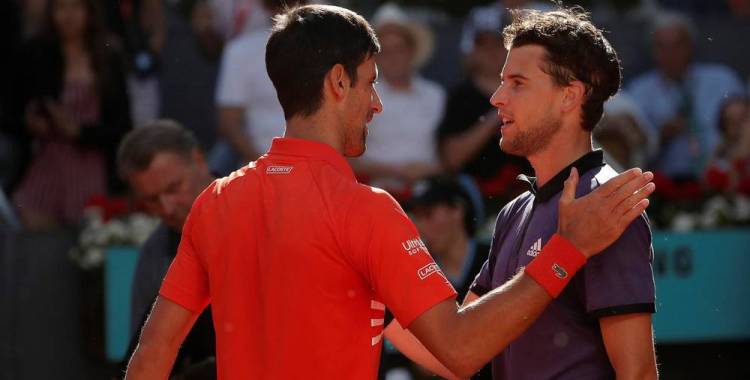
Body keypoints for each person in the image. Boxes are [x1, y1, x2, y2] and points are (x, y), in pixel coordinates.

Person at [125, 5, 654, 379]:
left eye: (516, 83)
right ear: (338, 83)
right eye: (370, 81)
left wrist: (383, 304)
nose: (376, 103)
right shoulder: (367, 210)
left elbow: (154, 350)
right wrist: (566, 252)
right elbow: (461, 350)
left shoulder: (215, 201)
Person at [461, 8, 658, 379]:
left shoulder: (606, 205)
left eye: (517, 82)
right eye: (502, 81)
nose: (497, 98)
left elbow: (639, 374)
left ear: (570, 97)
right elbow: (458, 348)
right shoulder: (514, 212)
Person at [7, 0, 132, 229]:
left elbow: (122, 125)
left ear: (88, 12)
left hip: (92, 166)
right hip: (46, 162)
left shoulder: (107, 56)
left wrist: (80, 132)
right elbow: (12, 109)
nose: (68, 16)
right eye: (61, 8)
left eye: (76, 7)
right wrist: (31, 124)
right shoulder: (35, 53)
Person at [117, 120, 217, 378]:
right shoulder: (154, 255)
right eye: (151, 200)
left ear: (199, 160)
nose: (167, 208)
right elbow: (144, 354)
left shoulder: (262, 209)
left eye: (174, 188)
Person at [627, 11, 745, 181]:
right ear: (653, 51)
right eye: (662, 47)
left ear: (690, 46)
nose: (670, 54)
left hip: (724, 177)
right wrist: (661, 136)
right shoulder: (639, 91)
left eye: (677, 46)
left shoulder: (722, 79)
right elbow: (633, 148)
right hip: (667, 183)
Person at [437, 4, 532, 205]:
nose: (491, 51)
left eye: (498, 43)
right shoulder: (461, 96)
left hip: (530, 190)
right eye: (483, 44)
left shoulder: (531, 90)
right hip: (478, 197)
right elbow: (452, 159)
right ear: (472, 49)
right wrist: (495, 117)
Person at [352, 3, 444, 196]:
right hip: (373, 192)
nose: (393, 58)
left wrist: (431, 170)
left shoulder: (436, 95)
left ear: (411, 51)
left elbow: (449, 156)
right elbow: (346, 156)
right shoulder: (360, 96)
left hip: (429, 193)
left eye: (399, 49)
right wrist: (396, 171)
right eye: (385, 51)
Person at [210, 0, 305, 175]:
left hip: (319, 169)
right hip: (259, 171)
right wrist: (270, 167)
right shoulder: (240, 51)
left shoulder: (332, 49)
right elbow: (228, 122)